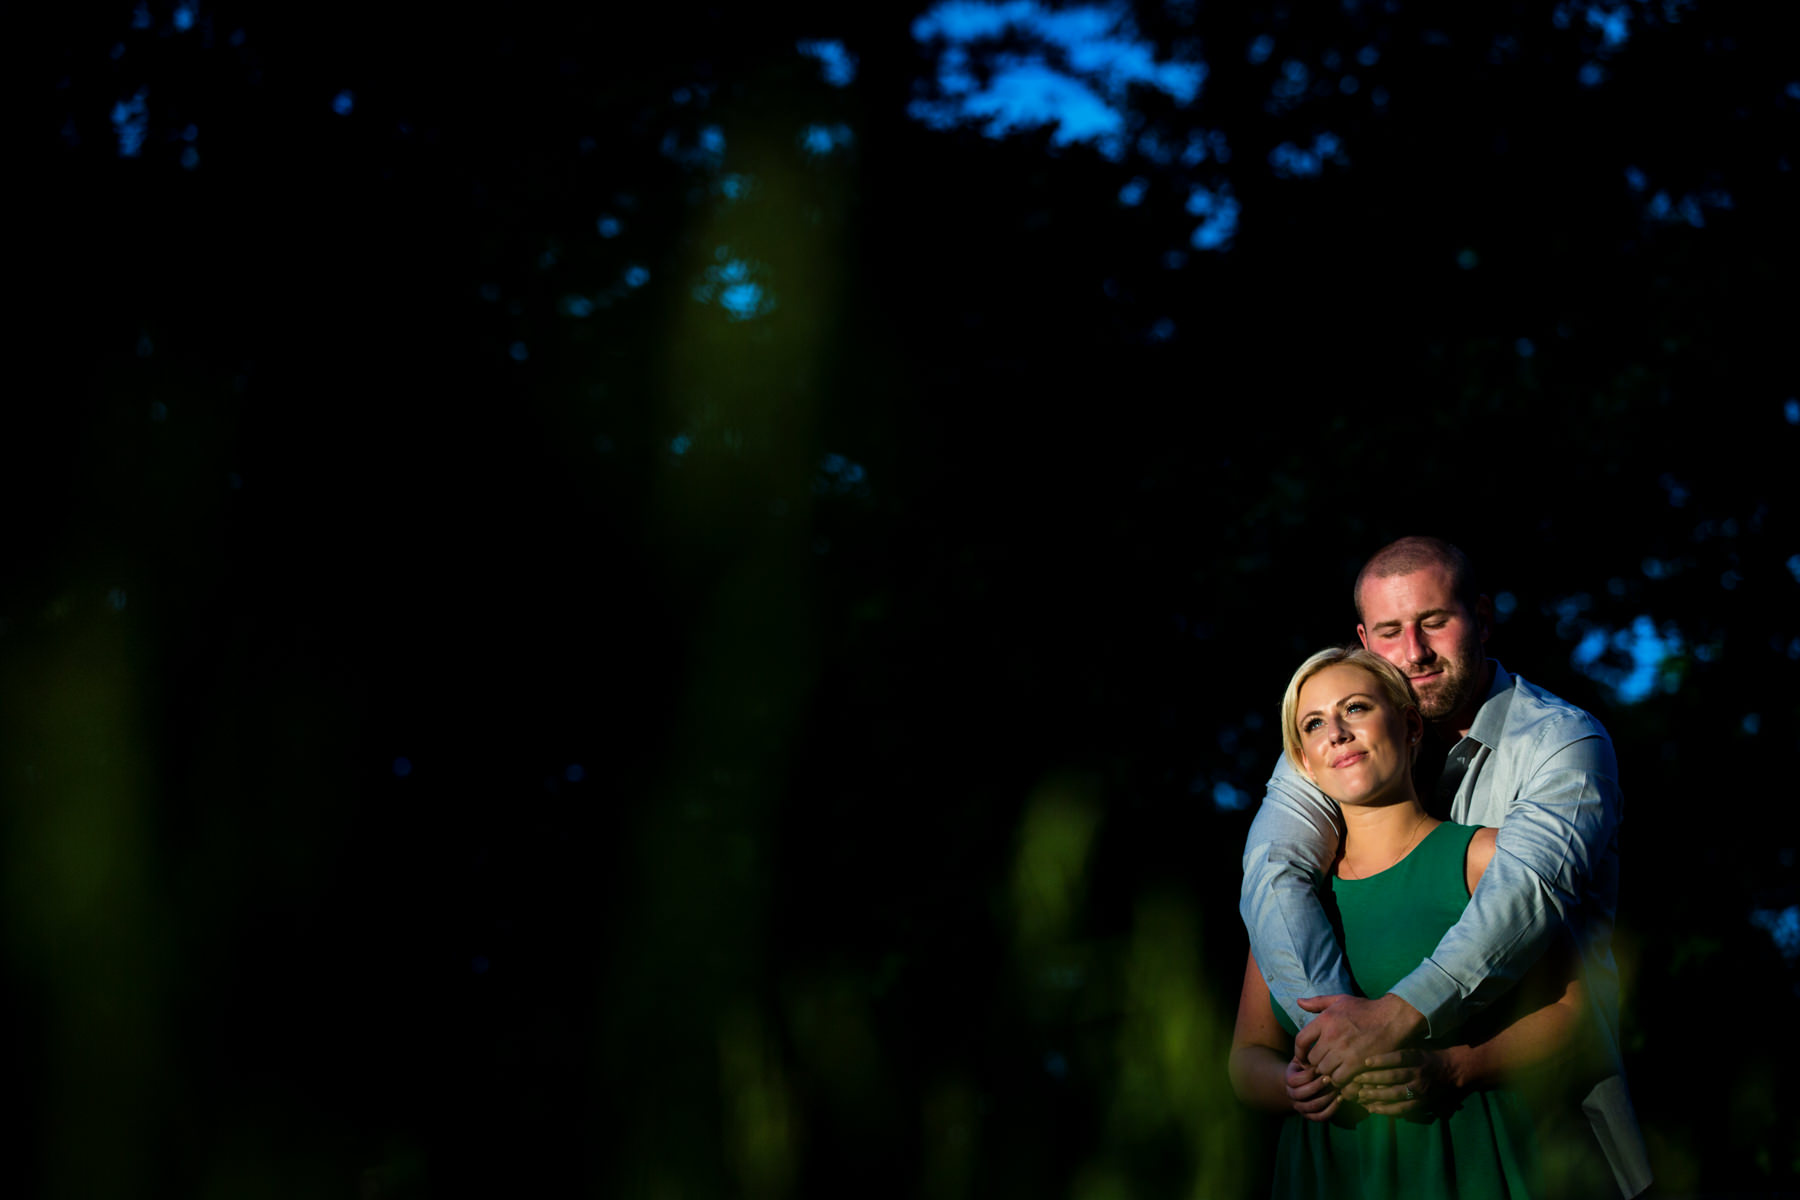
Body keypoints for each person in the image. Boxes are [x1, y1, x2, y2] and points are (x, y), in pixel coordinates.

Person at [1239, 538, 1651, 1196]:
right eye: (1390, 631)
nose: (1414, 653)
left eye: (1434, 622)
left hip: (1539, 1122)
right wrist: (1337, 1046)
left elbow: (1523, 902)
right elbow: (1270, 872)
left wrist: (1391, 1026)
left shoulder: (1561, 744)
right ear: (1364, 638)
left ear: (1482, 619)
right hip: (1357, 1156)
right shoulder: (1335, 746)